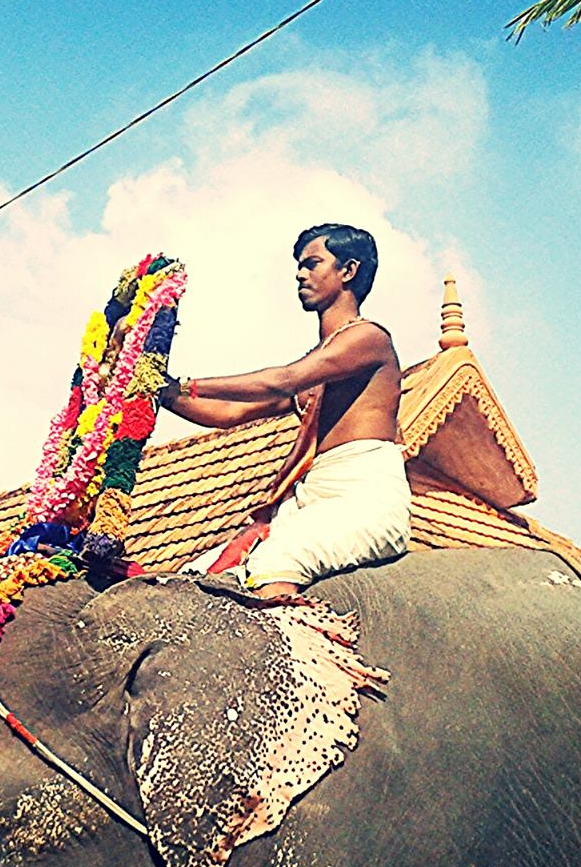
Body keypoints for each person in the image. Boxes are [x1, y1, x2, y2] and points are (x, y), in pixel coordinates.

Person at [161, 223, 410, 598]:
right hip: (310, 496)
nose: (299, 273)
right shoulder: (320, 363)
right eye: (299, 265)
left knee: (275, 562)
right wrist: (157, 390)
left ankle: (299, 659)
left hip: (363, 495)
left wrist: (185, 384)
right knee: (198, 573)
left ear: (348, 271)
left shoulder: (368, 339)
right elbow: (228, 413)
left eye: (312, 263)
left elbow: (281, 380)